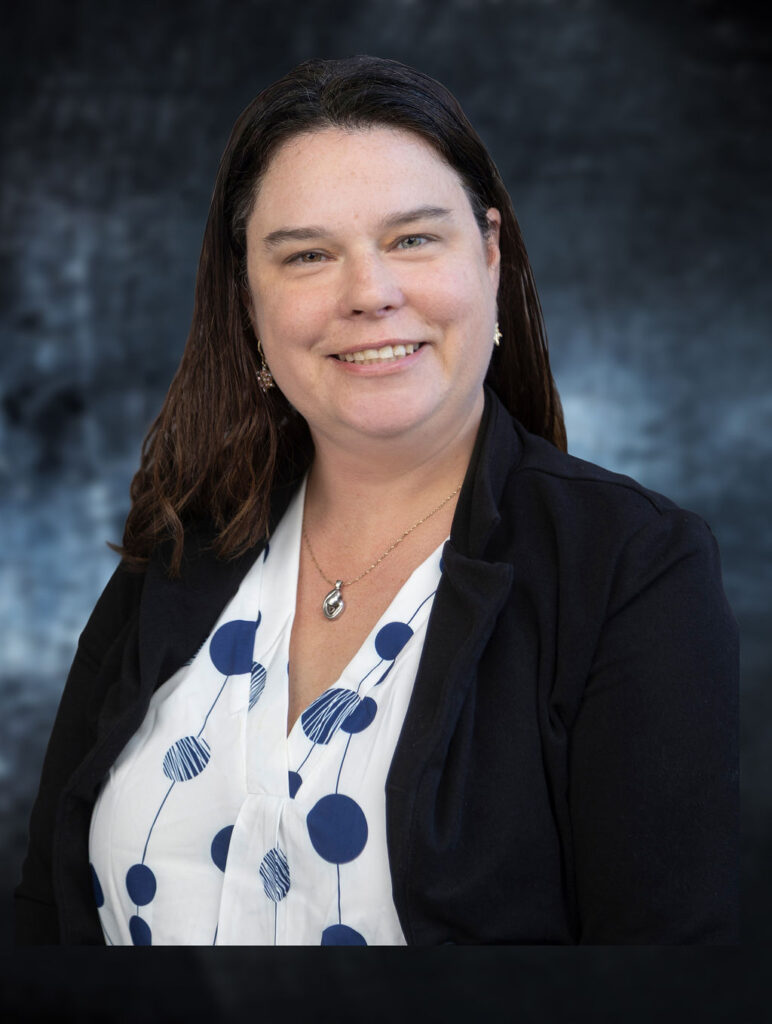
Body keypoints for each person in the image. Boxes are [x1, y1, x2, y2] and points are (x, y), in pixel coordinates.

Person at [15, 55, 738, 946]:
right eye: (308, 255)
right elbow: (46, 918)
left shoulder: (630, 566)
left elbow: (666, 979)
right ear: (248, 302)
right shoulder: (180, 546)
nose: (370, 294)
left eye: (412, 239)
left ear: (491, 255)